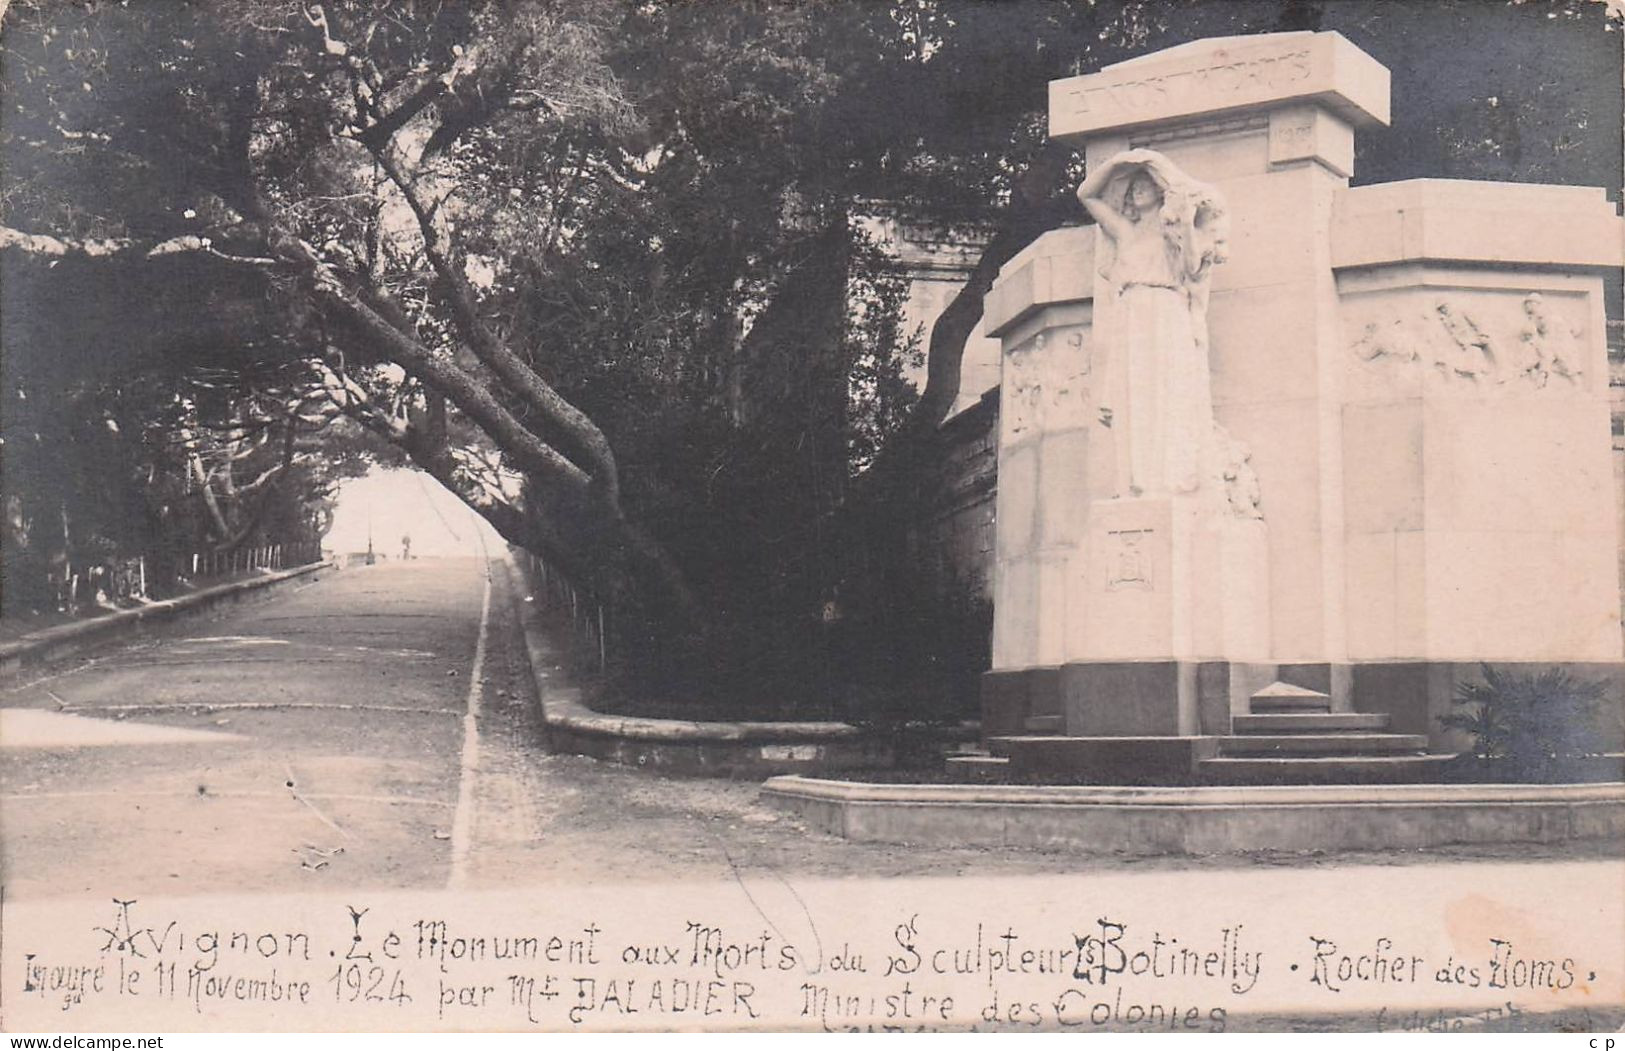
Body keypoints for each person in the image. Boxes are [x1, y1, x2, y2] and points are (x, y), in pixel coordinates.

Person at [1076, 149, 1228, 497]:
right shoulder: (1124, 231)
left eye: (1146, 184)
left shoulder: (1172, 232)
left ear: (1161, 190)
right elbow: (1086, 195)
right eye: (1133, 187)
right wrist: (1117, 164)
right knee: (1132, 395)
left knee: (1167, 393)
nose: (1138, 190)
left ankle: (1169, 478)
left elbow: (1190, 268)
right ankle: (1135, 481)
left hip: (1165, 311)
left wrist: (1187, 222)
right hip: (1131, 314)